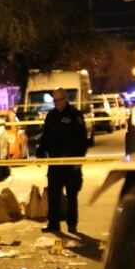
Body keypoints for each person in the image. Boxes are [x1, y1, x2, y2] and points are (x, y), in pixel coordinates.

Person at [35, 87, 88, 234]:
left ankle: (72, 225)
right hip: (55, 162)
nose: (57, 102)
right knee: (53, 194)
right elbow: (46, 136)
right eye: (55, 100)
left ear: (65, 99)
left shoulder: (75, 115)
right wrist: (41, 150)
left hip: (71, 163)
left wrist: (78, 160)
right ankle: (54, 223)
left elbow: (82, 140)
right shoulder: (51, 116)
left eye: (59, 99)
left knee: (72, 196)